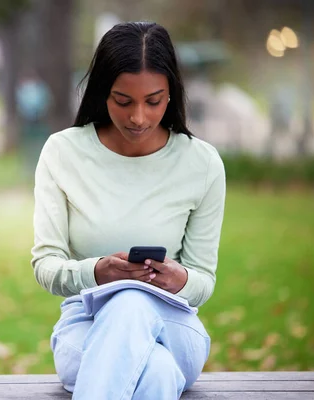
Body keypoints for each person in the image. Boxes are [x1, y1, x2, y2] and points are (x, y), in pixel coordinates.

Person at [31, 22, 225, 399]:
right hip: (83, 328)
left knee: (133, 299)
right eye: (124, 101)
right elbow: (46, 265)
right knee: (156, 373)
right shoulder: (62, 153)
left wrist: (177, 279)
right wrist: (98, 271)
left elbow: (204, 281)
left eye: (153, 101)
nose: (138, 117)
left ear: (171, 94)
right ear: (103, 92)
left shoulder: (201, 163)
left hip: (175, 328)